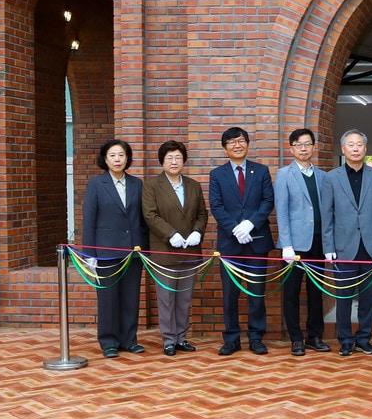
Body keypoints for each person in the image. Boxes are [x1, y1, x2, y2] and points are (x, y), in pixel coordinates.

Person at [322, 129, 372, 356]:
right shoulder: (331, 178)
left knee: (368, 298)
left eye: (359, 144)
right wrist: (328, 246)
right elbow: (327, 216)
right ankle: (345, 340)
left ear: (365, 148)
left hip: (370, 247)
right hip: (343, 247)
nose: (355, 148)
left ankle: (364, 338)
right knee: (343, 298)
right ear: (343, 149)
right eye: (350, 144)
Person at [208, 126, 275, 356]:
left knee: (256, 292)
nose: (237, 145)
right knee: (230, 294)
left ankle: (256, 338)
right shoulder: (217, 174)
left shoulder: (262, 171)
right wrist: (236, 228)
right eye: (231, 142)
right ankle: (232, 339)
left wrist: (251, 224)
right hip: (230, 243)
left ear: (247, 144)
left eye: (241, 141)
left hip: (257, 242)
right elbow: (216, 206)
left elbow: (267, 201)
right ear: (225, 149)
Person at [141, 140, 209, 356]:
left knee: (184, 297)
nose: (173, 161)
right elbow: (150, 215)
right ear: (162, 161)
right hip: (164, 250)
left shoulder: (193, 185)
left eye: (178, 157)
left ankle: (181, 337)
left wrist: (198, 231)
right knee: (166, 297)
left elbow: (201, 214)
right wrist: (171, 234)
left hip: (189, 251)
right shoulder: (151, 185)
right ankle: (169, 339)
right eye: (169, 157)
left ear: (184, 160)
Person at [81, 138, 147, 358]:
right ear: (105, 159)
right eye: (113, 155)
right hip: (106, 251)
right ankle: (108, 341)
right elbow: (89, 219)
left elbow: (142, 218)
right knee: (108, 297)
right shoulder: (96, 185)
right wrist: (89, 253)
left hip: (134, 251)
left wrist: (144, 249)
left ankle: (129, 339)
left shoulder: (137, 184)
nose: (117, 159)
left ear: (127, 158)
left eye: (121, 155)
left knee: (131, 296)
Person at [275, 127, 333, 356]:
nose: (304, 148)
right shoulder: (284, 175)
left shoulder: (322, 176)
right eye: (299, 144)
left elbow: (327, 212)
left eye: (308, 144)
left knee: (315, 292)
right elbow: (281, 211)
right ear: (292, 148)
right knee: (291, 293)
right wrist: (286, 244)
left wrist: (329, 245)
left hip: (317, 243)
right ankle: (296, 339)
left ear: (313, 147)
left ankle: (314, 336)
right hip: (294, 247)